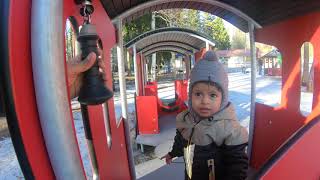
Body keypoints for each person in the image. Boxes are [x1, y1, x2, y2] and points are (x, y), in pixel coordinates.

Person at [161, 51, 248, 180]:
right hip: (190, 174)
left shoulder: (228, 127)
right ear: (190, 96)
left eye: (212, 95)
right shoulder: (186, 119)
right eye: (198, 94)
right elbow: (181, 141)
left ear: (222, 98)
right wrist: (172, 153)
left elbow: (237, 164)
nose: (205, 101)